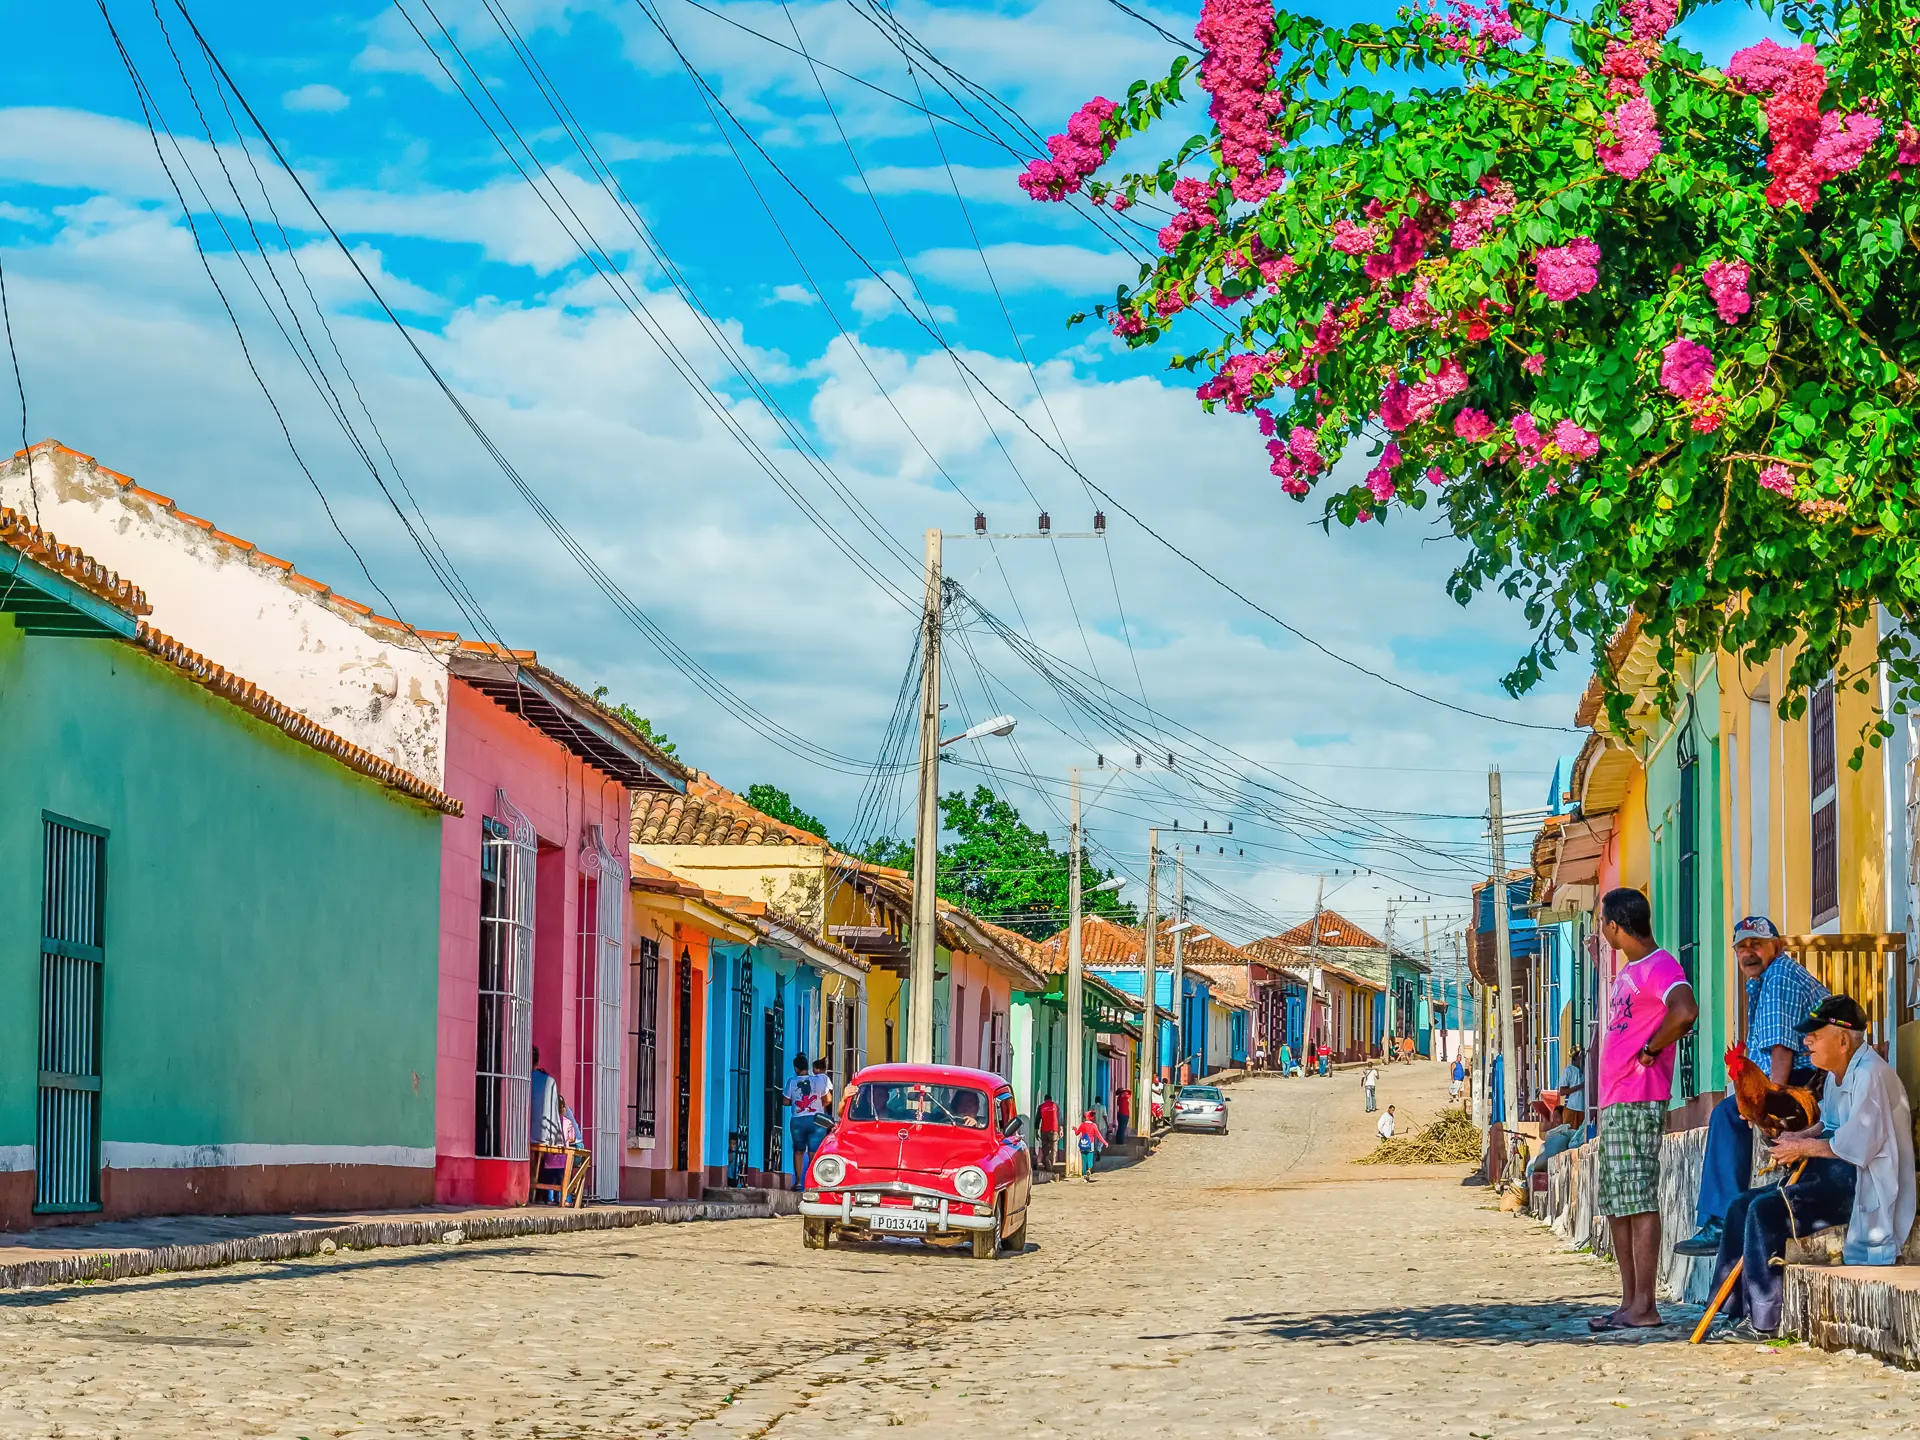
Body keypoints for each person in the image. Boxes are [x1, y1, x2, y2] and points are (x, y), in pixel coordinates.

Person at [1708, 995, 1915, 1340]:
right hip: (1836, 1171)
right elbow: (1829, 1126)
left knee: (1765, 1211)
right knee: (1740, 1205)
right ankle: (1728, 1310)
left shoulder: (1870, 1075)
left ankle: (1763, 1321)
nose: (1806, 1042)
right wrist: (1797, 1137)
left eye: (1814, 1035)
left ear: (1843, 1039)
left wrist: (1802, 1146)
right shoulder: (1836, 1076)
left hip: (1861, 1181)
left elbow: (1857, 1147)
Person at [1674, 917, 1830, 1256]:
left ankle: (1719, 1221)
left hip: (1808, 1081)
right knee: (1733, 1112)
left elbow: (1781, 1049)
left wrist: (1766, 1102)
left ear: (1776, 945)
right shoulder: (1765, 981)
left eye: (1756, 945)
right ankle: (1727, 1217)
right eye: (1741, 948)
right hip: (1802, 1077)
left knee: (1726, 1117)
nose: (1748, 953)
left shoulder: (1779, 979)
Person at [1590, 886, 1698, 1333]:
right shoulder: (1628, 970)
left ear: (1616, 924)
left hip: (1638, 1097)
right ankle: (1629, 1301)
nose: (1602, 928)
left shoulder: (1660, 966)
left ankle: (1645, 1304)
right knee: (1617, 1202)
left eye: (1603, 921)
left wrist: (1651, 1049)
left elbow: (1685, 1011)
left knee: (1638, 1197)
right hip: (1616, 1099)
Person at [782, 1054, 825, 1185]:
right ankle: (814, 1182)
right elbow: (827, 1098)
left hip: (798, 1121)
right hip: (816, 1120)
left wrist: (795, 1103)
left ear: (796, 1068)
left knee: (799, 1151)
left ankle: (798, 1182)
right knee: (814, 1152)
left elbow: (785, 1101)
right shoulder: (818, 1081)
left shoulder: (791, 1081)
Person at [1073, 1109, 1106, 1183]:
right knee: (1090, 1160)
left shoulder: (1082, 1125)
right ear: (1089, 1117)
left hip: (1083, 1144)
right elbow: (1098, 1135)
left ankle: (1085, 1177)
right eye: (1091, 1115)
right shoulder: (1093, 1125)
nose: (1093, 1117)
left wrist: (1075, 1129)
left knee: (1084, 1161)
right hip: (1090, 1144)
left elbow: (1077, 1133)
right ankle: (1089, 1170)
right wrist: (1105, 1142)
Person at [811, 1057, 837, 1128]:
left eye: (813, 1068)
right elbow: (830, 1089)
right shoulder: (826, 1078)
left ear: (817, 1069)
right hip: (824, 1101)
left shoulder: (816, 1078)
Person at [1037, 1094, 1061, 1170]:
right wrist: (1061, 1129)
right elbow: (1060, 1118)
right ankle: (1049, 1159)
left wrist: (1035, 1131)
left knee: (1045, 1147)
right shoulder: (1055, 1106)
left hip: (1044, 1129)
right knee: (1054, 1147)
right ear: (1051, 1099)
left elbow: (1037, 1119)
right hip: (1053, 1129)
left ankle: (1047, 1163)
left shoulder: (1041, 1107)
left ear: (1044, 1100)